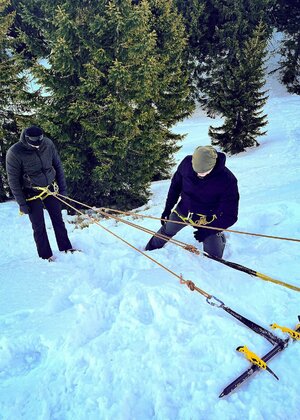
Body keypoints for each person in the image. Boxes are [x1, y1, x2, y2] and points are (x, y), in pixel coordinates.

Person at [145, 145, 239, 258]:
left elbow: (230, 215)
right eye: (197, 171)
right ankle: (148, 250)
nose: (199, 175)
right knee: (167, 230)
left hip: (207, 219)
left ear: (213, 166)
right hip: (184, 211)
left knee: (213, 256)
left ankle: (220, 237)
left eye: (204, 172)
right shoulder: (186, 164)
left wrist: (208, 230)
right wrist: (167, 208)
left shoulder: (227, 180)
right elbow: (175, 187)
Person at [6, 125, 74, 261]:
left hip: (49, 188)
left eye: (39, 143)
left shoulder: (47, 144)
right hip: (31, 192)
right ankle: (45, 255)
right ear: (26, 139)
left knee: (58, 219)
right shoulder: (15, 153)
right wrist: (22, 203)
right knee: (38, 225)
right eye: (34, 144)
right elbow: (13, 181)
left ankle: (66, 247)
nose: (37, 146)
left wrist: (63, 190)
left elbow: (58, 166)